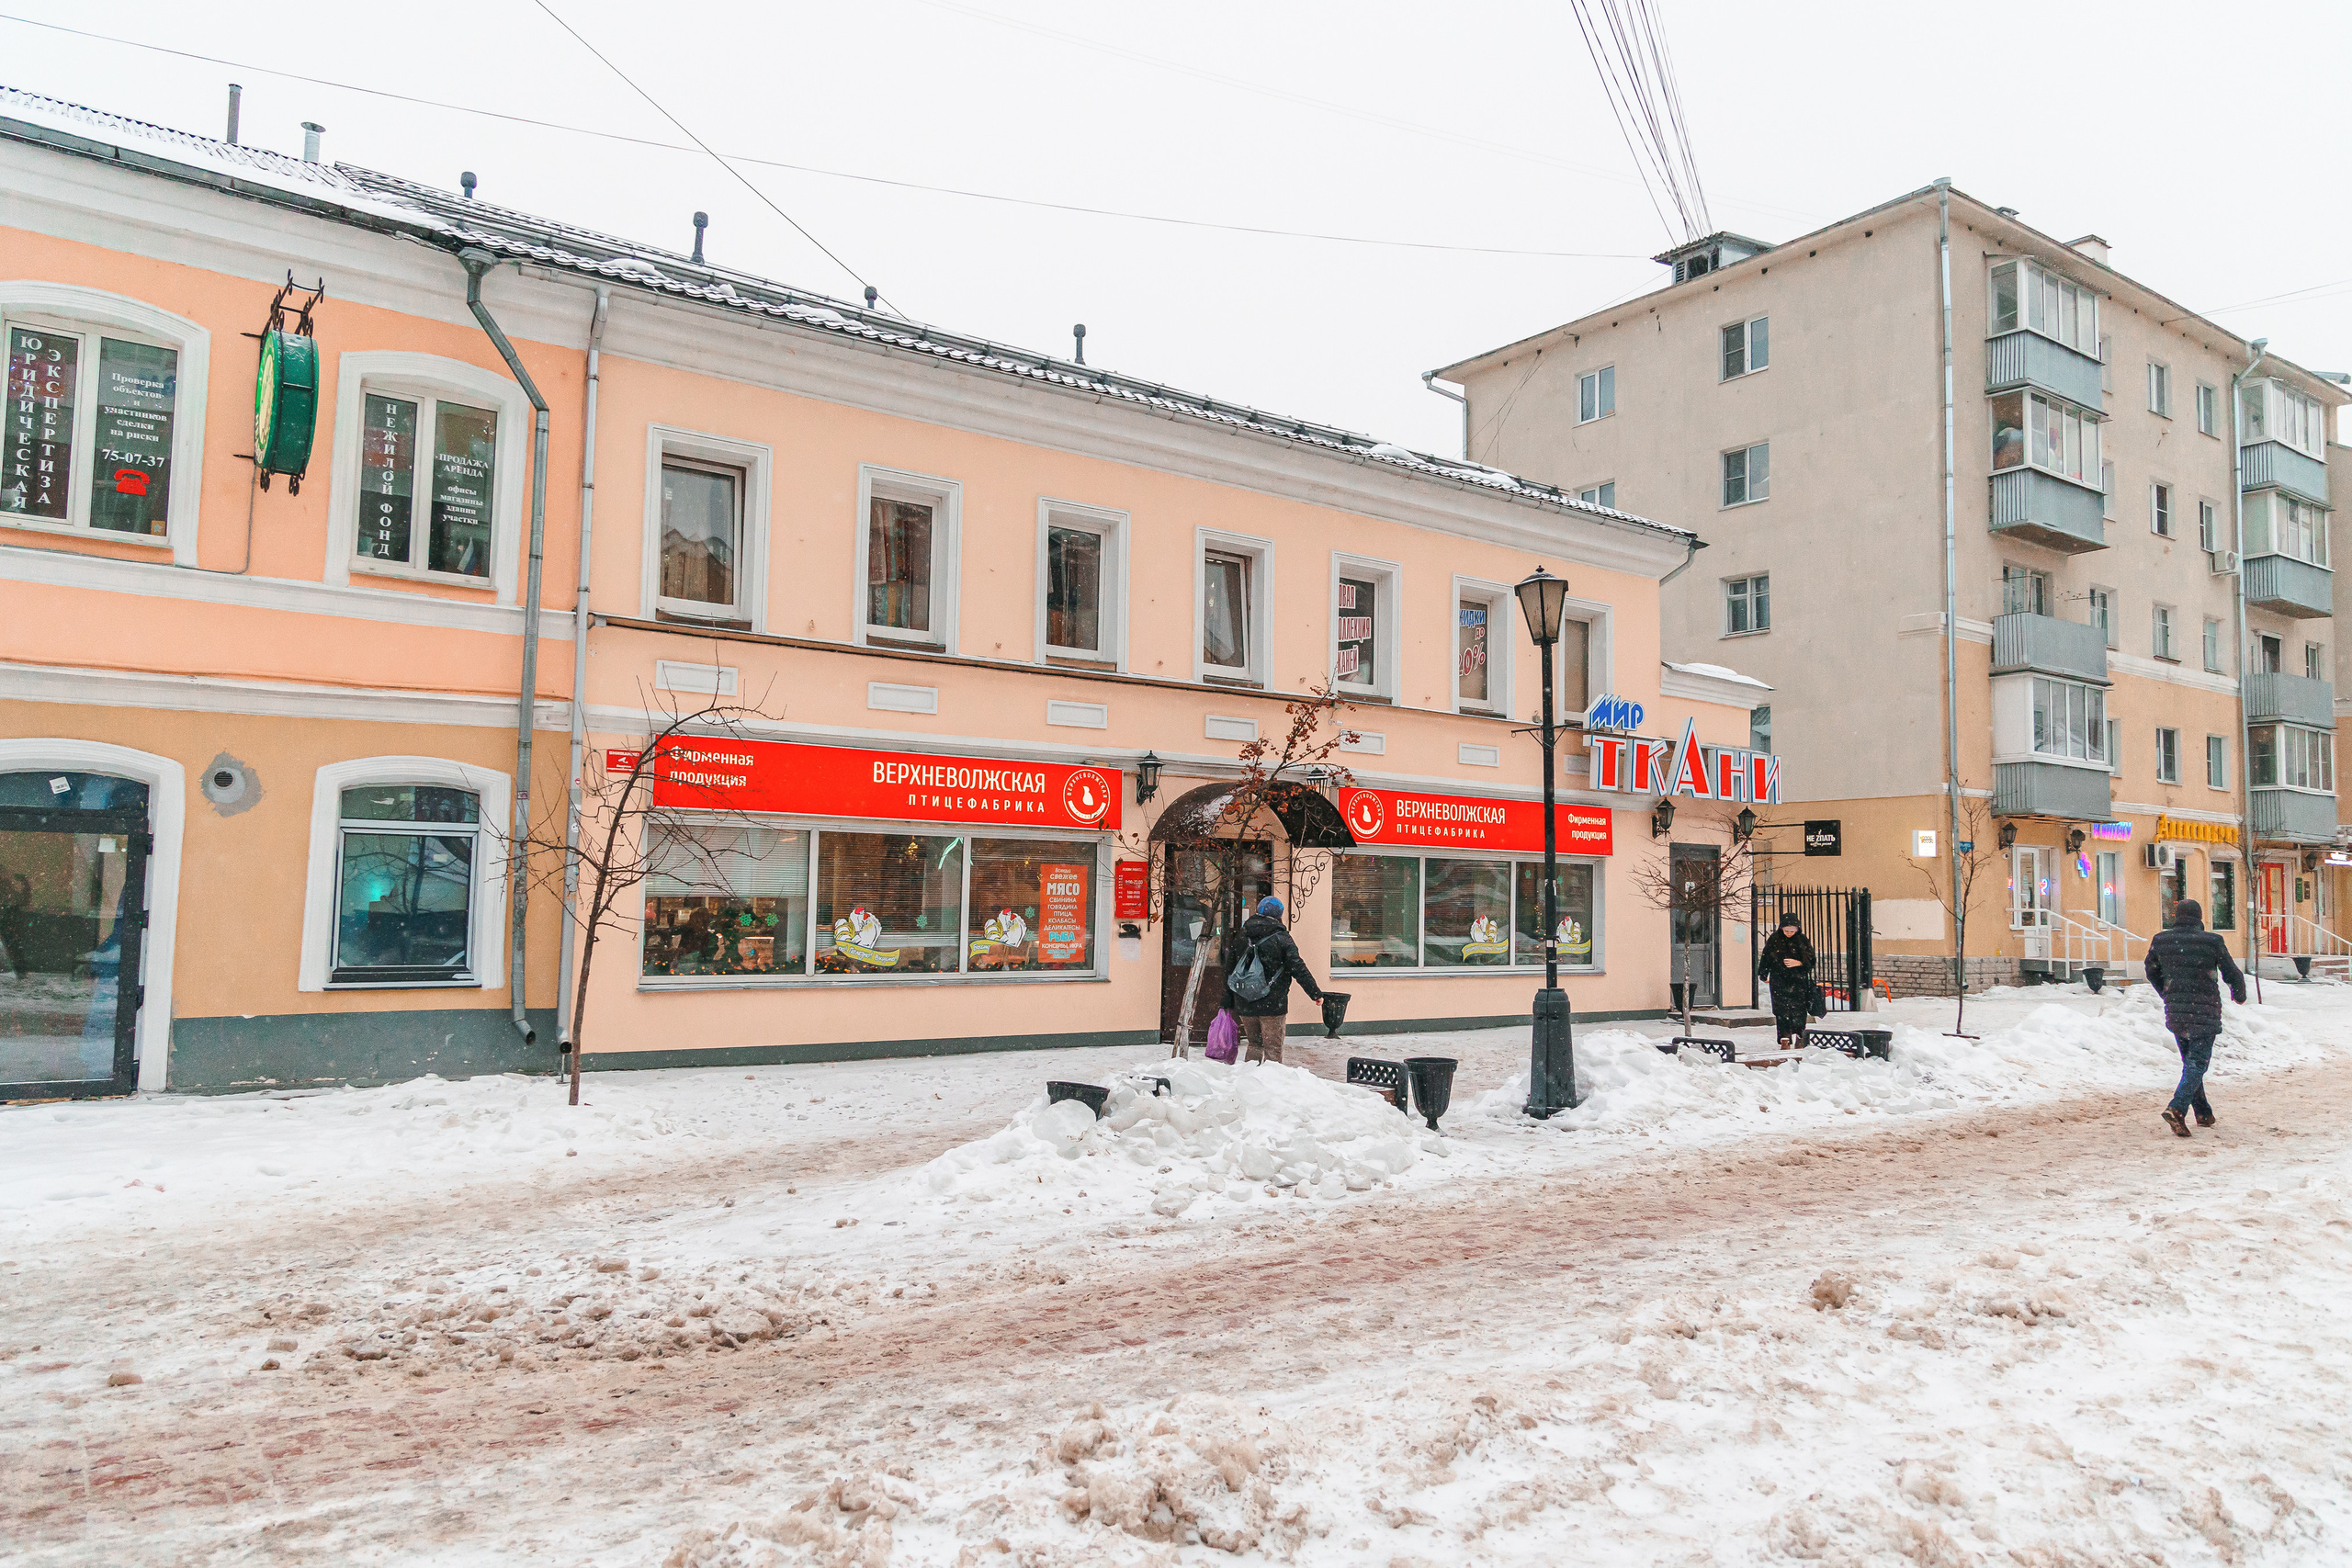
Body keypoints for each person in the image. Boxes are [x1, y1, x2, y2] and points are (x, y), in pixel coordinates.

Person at [2142, 897, 2245, 1138]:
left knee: (2191, 1061)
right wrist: (2239, 993)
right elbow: (2231, 971)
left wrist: (2166, 991)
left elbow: (2150, 970)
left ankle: (2203, 1113)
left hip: (2177, 1010)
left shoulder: (2161, 940)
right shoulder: (2211, 941)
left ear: (2176, 917)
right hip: (2205, 1010)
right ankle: (2177, 1108)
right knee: (2198, 1063)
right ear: (2200, 918)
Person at [1226, 895, 1324, 1065]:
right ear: (1279, 915)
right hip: (1272, 1001)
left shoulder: (1242, 935)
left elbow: (1230, 968)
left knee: (1254, 1044)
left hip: (1245, 1000)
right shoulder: (1282, 938)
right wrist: (1315, 993)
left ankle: (1249, 1082)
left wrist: (1228, 998)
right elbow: (1298, 967)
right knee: (1273, 1049)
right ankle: (1272, 1086)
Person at [1757, 912, 1815, 1046]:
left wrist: (1799, 963)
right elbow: (1766, 957)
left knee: (1799, 1011)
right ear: (1781, 928)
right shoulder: (1774, 939)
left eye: (1792, 931)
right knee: (1781, 1011)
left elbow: (1812, 959)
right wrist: (1764, 973)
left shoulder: (1802, 940)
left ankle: (1800, 1037)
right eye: (1787, 930)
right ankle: (1784, 1038)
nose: (1789, 933)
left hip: (1798, 981)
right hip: (1779, 980)